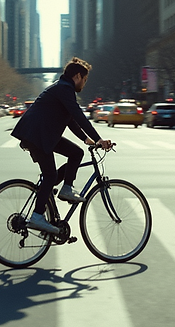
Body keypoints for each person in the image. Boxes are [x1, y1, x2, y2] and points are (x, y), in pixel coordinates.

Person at [11, 57, 113, 234]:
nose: (85, 83)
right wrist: (98, 139)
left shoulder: (62, 88)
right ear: (78, 76)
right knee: (51, 175)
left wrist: (85, 139)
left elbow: (70, 120)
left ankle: (60, 189)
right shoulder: (64, 89)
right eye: (85, 79)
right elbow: (79, 116)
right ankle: (37, 215)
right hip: (37, 135)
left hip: (42, 134)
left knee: (76, 153)